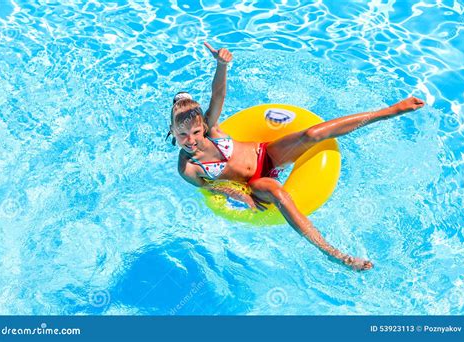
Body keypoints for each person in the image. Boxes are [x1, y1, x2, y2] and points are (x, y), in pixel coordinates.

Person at [167, 42, 425, 271]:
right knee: (277, 192)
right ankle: (335, 254)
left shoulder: (211, 129)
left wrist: (221, 66)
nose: (190, 140)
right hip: (253, 184)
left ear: (202, 127)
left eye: (195, 132)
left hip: (265, 154)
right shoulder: (187, 167)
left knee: (312, 134)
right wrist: (239, 194)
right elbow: (212, 188)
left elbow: (219, 95)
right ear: (172, 132)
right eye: (182, 135)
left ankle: (389, 111)